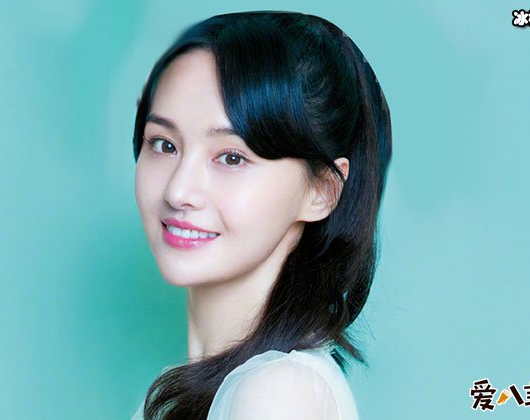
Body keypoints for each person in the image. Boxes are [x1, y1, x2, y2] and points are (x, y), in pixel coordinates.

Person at [131, 10, 391, 420]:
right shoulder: (208, 389)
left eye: (231, 157)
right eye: (164, 144)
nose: (178, 192)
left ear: (322, 191)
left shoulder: (276, 393)